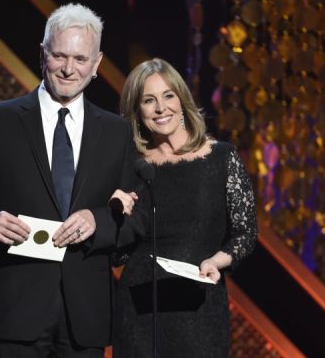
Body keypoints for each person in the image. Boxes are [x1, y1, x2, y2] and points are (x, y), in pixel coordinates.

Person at [0, 3, 137, 358]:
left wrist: (98, 221)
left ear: (96, 64)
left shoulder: (117, 133)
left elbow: (132, 218)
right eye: (59, 55)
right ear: (42, 54)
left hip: (86, 315)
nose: (68, 68)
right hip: (15, 310)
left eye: (80, 59)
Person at [110, 58, 258, 357]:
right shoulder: (130, 168)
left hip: (199, 307)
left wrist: (217, 261)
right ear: (137, 111)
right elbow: (117, 254)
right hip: (140, 309)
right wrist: (115, 214)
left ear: (182, 99)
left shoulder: (221, 158)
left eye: (168, 96)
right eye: (148, 101)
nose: (161, 108)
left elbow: (245, 232)